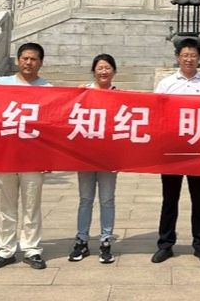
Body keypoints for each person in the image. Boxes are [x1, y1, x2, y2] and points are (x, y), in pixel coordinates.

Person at [0, 42, 51, 271]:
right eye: (25, 58)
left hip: (34, 158)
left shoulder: (49, 90)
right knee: (6, 206)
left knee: (32, 206)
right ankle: (5, 250)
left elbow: (53, 127)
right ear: (18, 60)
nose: (28, 63)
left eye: (33, 59)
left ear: (40, 62)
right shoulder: (0, 84)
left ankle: (32, 250)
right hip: (4, 156)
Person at [151, 38, 200, 264]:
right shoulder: (167, 84)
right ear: (178, 57)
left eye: (193, 55)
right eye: (185, 55)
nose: (189, 59)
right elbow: (157, 113)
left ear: (199, 58)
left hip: (198, 150)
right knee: (170, 199)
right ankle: (165, 245)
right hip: (172, 150)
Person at [69, 53, 119, 265]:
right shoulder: (84, 92)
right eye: (100, 68)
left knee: (107, 200)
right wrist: (76, 95)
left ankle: (106, 241)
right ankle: (81, 240)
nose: (104, 71)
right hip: (86, 156)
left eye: (107, 68)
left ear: (114, 71)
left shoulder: (120, 96)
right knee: (85, 199)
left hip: (109, 157)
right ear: (93, 71)